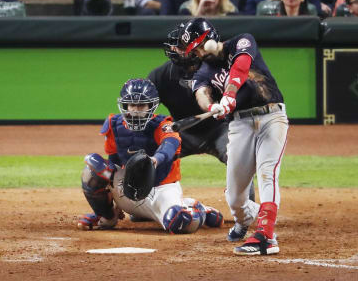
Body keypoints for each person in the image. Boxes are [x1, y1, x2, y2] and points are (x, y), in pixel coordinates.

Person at [175, 18, 289, 255]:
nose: (196, 52)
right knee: (236, 198)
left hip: (272, 116)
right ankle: (247, 219)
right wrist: (212, 107)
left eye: (198, 45)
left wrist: (229, 94)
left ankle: (266, 236)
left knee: (268, 173)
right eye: (192, 50)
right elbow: (201, 93)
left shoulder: (242, 41)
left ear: (210, 38)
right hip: (240, 124)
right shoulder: (203, 72)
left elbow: (241, 66)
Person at [77, 78, 224, 234]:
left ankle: (197, 209)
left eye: (141, 105)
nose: (135, 110)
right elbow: (115, 163)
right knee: (93, 170)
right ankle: (106, 217)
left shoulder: (163, 125)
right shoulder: (114, 125)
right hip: (129, 187)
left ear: (151, 106)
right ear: (125, 105)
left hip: (161, 189)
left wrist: (155, 159)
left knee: (180, 223)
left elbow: (170, 146)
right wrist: (115, 200)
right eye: (132, 105)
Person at [149, 26, 257, 199]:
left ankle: (245, 205)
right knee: (151, 154)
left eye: (181, 46)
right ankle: (143, 203)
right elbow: (146, 109)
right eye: (175, 47)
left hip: (219, 130)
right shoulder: (161, 75)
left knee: (238, 156)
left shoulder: (216, 68)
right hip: (181, 132)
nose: (176, 50)